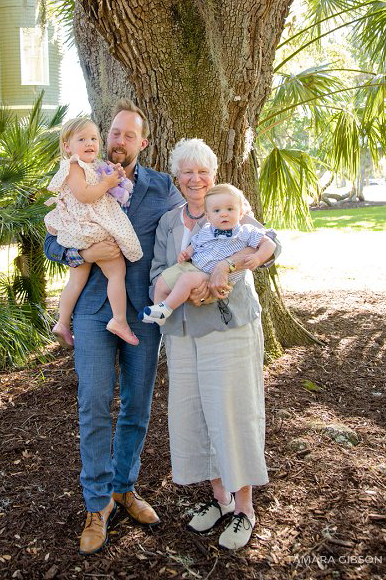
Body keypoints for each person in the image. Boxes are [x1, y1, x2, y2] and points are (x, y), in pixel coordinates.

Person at [43, 99, 183, 555]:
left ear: (143, 142)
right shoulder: (84, 173)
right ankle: (96, 503)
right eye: (114, 133)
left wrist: (256, 241)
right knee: (94, 403)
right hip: (90, 311)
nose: (118, 141)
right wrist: (81, 255)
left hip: (143, 315)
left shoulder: (164, 187)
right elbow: (51, 238)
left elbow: (204, 217)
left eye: (128, 135)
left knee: (137, 406)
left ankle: (125, 486)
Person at [150, 138, 280, 551]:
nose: (196, 179)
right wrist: (184, 288)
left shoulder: (229, 207)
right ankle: (220, 502)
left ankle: (245, 510)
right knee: (199, 417)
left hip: (229, 329)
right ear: (177, 176)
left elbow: (268, 243)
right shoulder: (170, 222)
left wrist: (226, 267)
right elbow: (158, 270)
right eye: (187, 171)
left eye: (202, 170)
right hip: (183, 334)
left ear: (213, 173)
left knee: (233, 414)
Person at [45, 116, 141, 346]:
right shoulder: (74, 166)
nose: (90, 143)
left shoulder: (93, 165)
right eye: (82, 139)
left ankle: (62, 322)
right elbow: (85, 195)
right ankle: (119, 320)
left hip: (84, 230)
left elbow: (110, 185)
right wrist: (106, 184)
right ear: (67, 147)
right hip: (89, 229)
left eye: (93, 139)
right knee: (116, 271)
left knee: (77, 278)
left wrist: (113, 177)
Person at [142, 183, 275, 325]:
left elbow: (270, 244)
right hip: (194, 266)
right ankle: (158, 313)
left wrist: (258, 257)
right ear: (209, 216)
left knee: (186, 280)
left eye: (230, 209)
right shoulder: (207, 229)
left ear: (241, 212)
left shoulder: (246, 231)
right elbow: (195, 244)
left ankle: (166, 308)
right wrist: (187, 253)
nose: (224, 214)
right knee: (162, 281)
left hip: (211, 275)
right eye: (217, 211)